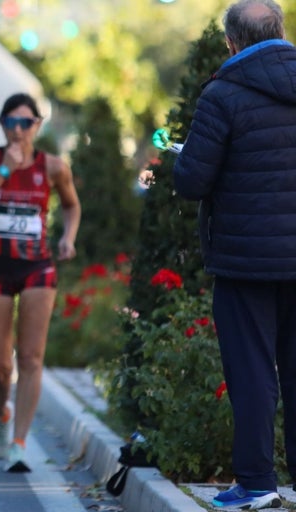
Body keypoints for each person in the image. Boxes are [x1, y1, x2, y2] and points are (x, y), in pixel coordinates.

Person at [172, 1, 294, 509]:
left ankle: (257, 483)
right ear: (282, 31)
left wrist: (180, 157)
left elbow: (193, 180)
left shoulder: (223, 94)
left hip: (247, 262)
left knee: (252, 374)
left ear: (231, 43)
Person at [0, 92, 80, 473]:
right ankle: (1, 412)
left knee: (30, 357)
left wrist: (68, 237)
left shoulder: (54, 167)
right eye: (11, 123)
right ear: (2, 126)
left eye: (26, 123)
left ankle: (19, 443)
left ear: (37, 126)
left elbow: (72, 205)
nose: (18, 130)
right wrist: (4, 173)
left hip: (36, 268)